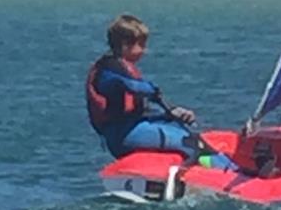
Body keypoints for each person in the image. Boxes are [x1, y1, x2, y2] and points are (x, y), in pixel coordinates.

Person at [86, 14, 237, 170]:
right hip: (122, 136)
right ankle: (228, 173)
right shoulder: (108, 70)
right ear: (125, 44)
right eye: (142, 45)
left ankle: (226, 168)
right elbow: (134, 87)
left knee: (183, 130)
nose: (144, 50)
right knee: (190, 143)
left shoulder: (121, 66)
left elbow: (141, 105)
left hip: (130, 128)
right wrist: (155, 93)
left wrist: (172, 112)